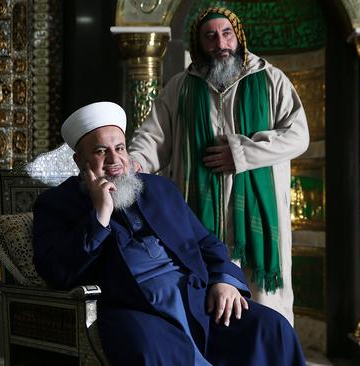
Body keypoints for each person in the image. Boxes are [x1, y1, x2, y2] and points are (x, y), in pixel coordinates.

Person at [33, 101, 305, 365]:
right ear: (79, 160)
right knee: (152, 352)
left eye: (120, 148)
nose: (115, 159)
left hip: (195, 297)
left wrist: (224, 280)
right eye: (101, 151)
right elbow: (58, 271)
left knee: (272, 328)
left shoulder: (158, 188)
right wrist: (100, 216)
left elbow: (205, 242)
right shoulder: (56, 203)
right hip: (133, 306)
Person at [129, 7, 309, 324]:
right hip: (197, 216)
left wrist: (241, 154)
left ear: (238, 36)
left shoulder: (271, 79)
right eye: (210, 36)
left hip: (257, 222)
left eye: (226, 34)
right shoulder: (180, 87)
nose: (220, 43)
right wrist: (134, 160)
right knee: (205, 303)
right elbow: (153, 138)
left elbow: (298, 137)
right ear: (199, 43)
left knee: (263, 307)